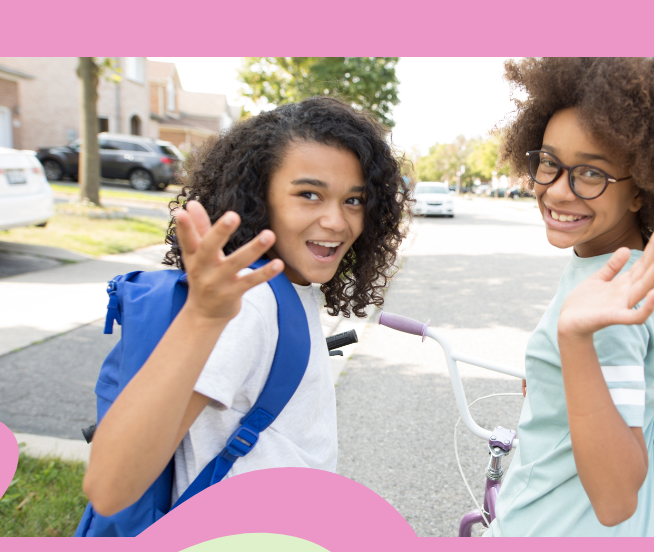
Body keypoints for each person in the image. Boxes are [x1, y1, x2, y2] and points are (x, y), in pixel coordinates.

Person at [82, 97, 410, 517]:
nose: (337, 221)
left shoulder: (288, 287)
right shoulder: (251, 303)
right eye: (309, 194)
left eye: (353, 200)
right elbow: (109, 489)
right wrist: (203, 318)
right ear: (258, 198)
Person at [486, 58, 654, 536]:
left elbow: (614, 498)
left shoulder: (616, 295)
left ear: (641, 190)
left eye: (590, 173)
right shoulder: (633, 264)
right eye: (548, 163)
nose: (557, 190)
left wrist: (574, 343)